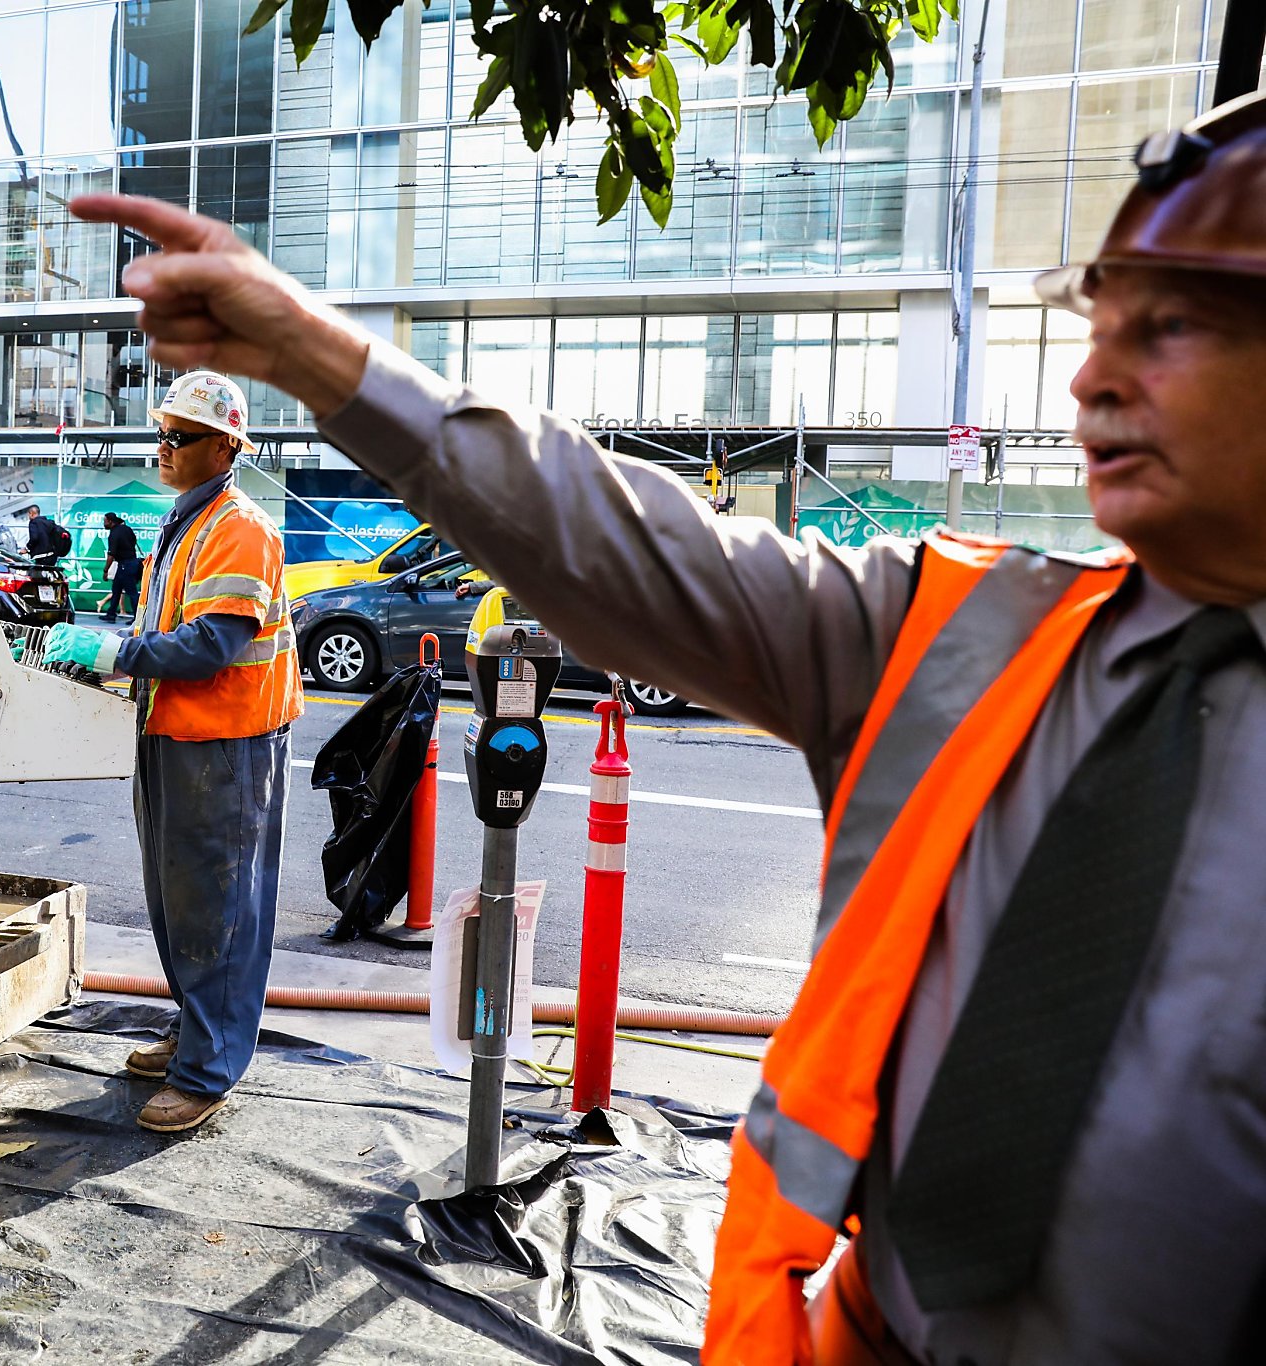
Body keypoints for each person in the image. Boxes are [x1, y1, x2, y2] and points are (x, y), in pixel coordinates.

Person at [71, 92, 1266, 1363]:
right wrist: (319, 353)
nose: (1088, 373)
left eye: (1170, 324)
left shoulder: (235, 529)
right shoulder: (961, 634)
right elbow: (617, 540)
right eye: (1099, 320)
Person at [41, 371, 302, 1133]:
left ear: (225, 445)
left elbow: (212, 644)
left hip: (226, 746)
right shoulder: (186, 520)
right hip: (176, 736)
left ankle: (209, 1067)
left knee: (219, 910)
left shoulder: (239, 526)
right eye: (160, 434)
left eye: (178, 437)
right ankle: (196, 1025)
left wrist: (112, 651)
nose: (163, 448)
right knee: (179, 904)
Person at [100, 511, 143, 623]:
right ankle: (111, 614)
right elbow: (134, 541)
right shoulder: (127, 529)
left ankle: (138, 619)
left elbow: (111, 555)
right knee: (116, 589)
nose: (104, 524)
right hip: (131, 563)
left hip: (125, 565)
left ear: (110, 521)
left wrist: (105, 570)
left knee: (132, 592)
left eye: (105, 521)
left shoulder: (114, 534)